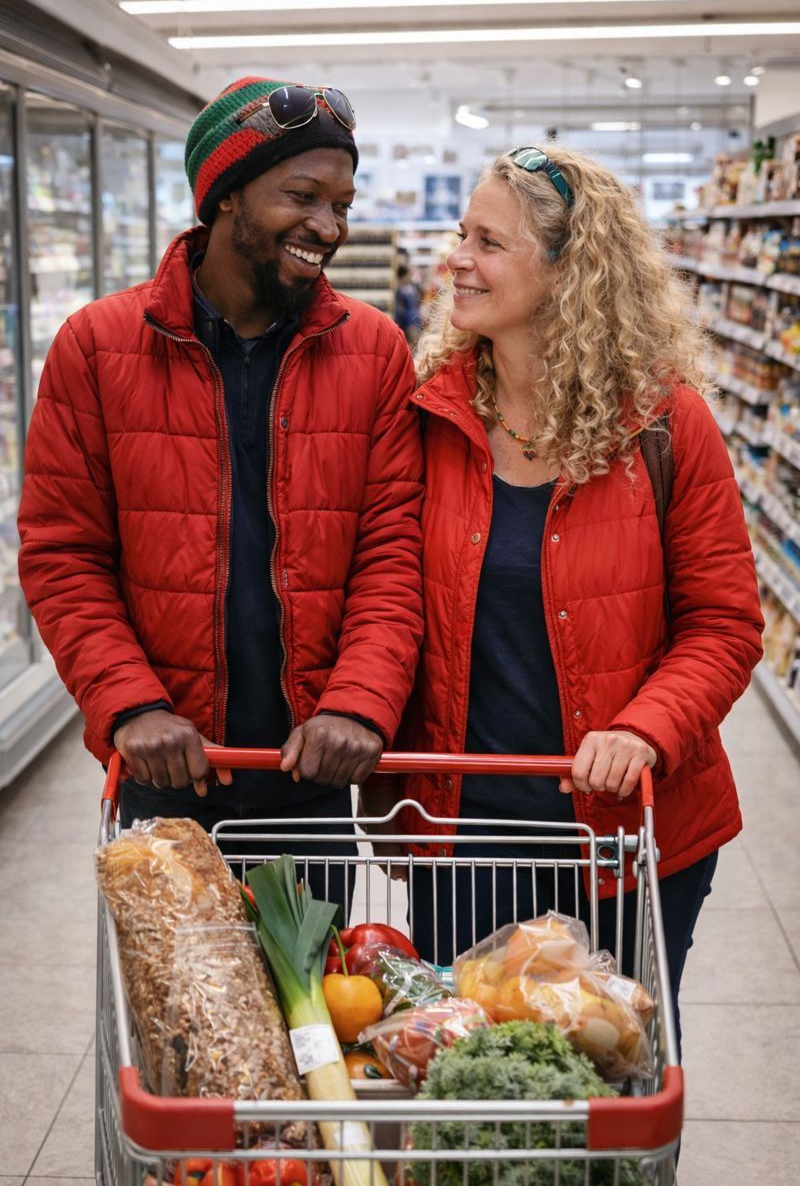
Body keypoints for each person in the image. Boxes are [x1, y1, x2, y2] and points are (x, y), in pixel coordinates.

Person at [382, 144, 763, 1043]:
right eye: (460, 234)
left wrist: (643, 727)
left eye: (490, 242)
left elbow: (725, 624)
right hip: (462, 841)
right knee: (474, 1090)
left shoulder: (665, 424)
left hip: (624, 843)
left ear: (569, 270)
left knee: (610, 1077)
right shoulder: (428, 417)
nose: (456, 260)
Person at [17, 76, 424, 855]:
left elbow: (392, 556)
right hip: (166, 765)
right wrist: (131, 707)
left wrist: (359, 705)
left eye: (340, 203)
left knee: (314, 977)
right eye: (302, 196)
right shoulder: (98, 347)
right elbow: (64, 554)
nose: (327, 225)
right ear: (227, 195)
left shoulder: (374, 351)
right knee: (181, 980)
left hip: (315, 761)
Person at [394, 263, 422, 346]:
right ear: (403, 276)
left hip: (414, 317)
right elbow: (399, 309)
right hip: (407, 320)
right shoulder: (400, 290)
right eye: (408, 275)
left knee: (416, 342)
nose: (409, 277)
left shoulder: (410, 288)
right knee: (412, 343)